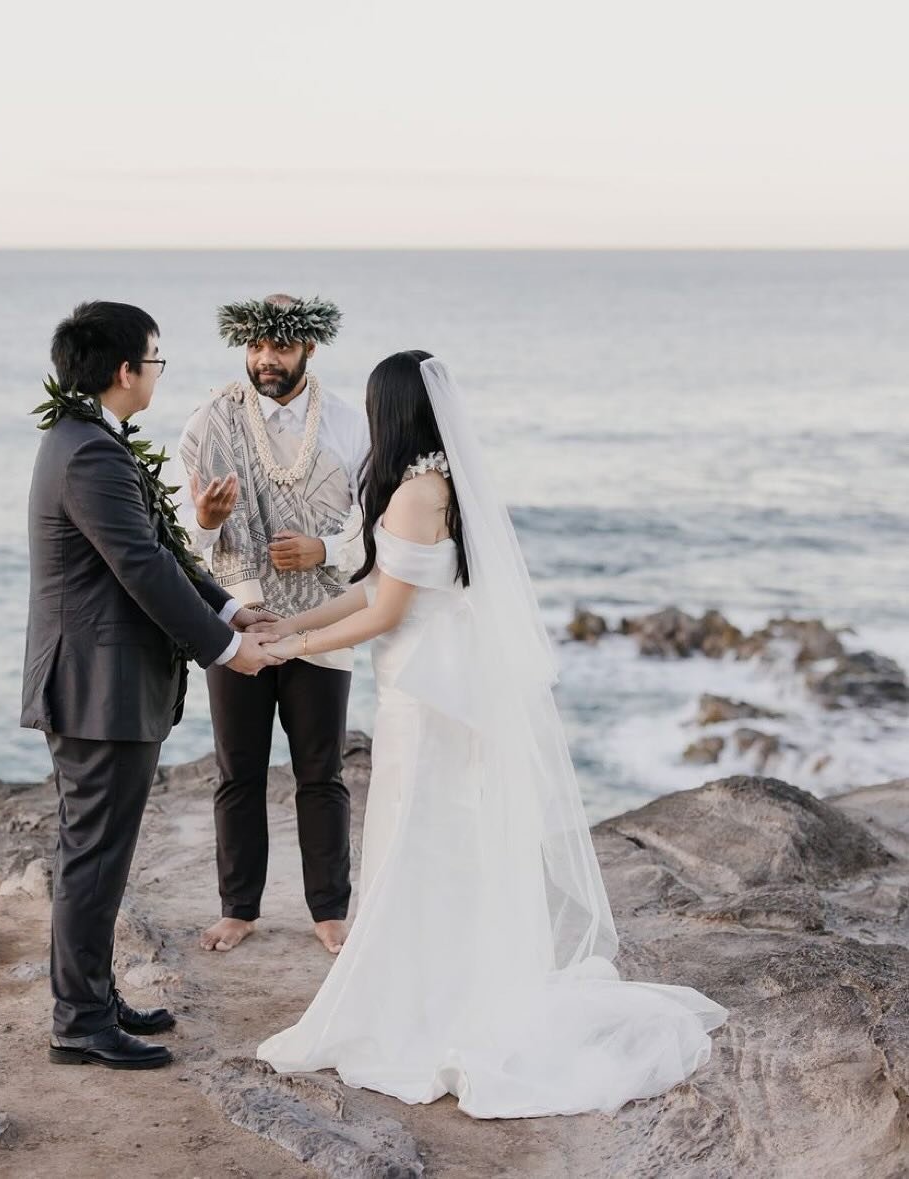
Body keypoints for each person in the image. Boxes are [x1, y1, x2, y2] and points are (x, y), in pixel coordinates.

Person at [252, 351, 729, 1118]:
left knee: (419, 839)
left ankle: (429, 1004)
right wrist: (294, 623)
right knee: (430, 839)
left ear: (390, 410)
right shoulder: (434, 484)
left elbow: (387, 613)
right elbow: (371, 588)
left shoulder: (415, 492)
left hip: (424, 696)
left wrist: (284, 649)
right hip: (426, 685)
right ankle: (436, 981)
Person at [21, 301, 280, 1070]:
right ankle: (79, 1019)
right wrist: (225, 648)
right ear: (125, 370)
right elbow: (141, 567)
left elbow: (161, 547)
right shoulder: (90, 454)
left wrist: (231, 605)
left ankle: (92, 997)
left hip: (105, 682)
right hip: (95, 686)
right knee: (92, 854)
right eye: (156, 359)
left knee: (99, 851)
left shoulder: (87, 440)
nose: (159, 374)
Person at [178, 293, 370, 955]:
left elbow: (376, 530)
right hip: (237, 623)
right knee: (238, 770)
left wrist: (325, 551)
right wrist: (205, 520)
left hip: (321, 622)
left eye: (279, 347)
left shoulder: (349, 425)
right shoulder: (208, 425)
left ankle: (329, 910)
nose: (264, 360)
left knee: (321, 770)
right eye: (255, 347)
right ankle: (239, 908)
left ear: (308, 348)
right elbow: (172, 544)